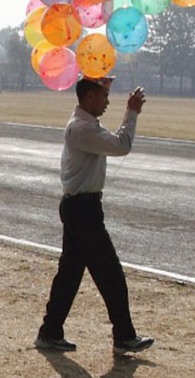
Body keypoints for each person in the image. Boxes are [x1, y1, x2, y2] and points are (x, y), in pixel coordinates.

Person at [35, 75, 154, 355]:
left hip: (82, 207)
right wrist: (132, 112)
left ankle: (50, 331)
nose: (107, 102)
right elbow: (122, 144)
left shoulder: (84, 125)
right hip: (83, 209)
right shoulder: (81, 129)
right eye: (102, 97)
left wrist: (102, 81)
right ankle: (124, 335)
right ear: (89, 98)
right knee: (109, 272)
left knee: (70, 274)